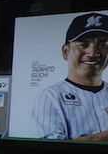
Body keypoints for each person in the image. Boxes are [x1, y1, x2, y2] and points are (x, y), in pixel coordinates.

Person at [32, 12, 108, 140]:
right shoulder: (51, 96)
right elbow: (51, 147)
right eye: (83, 44)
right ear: (65, 52)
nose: (93, 52)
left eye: (103, 45)